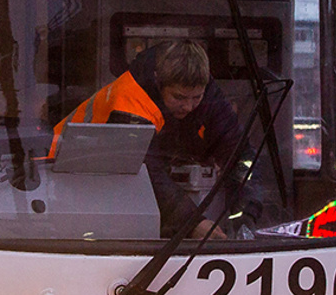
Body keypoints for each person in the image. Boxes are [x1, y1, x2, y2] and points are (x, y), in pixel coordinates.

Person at [51, 39, 255, 239]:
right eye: (179, 98)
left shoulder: (207, 93)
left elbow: (239, 154)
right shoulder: (131, 101)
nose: (189, 106)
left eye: (197, 98)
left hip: (103, 184)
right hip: (59, 177)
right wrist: (193, 224)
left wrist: (247, 214)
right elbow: (147, 173)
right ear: (159, 82)